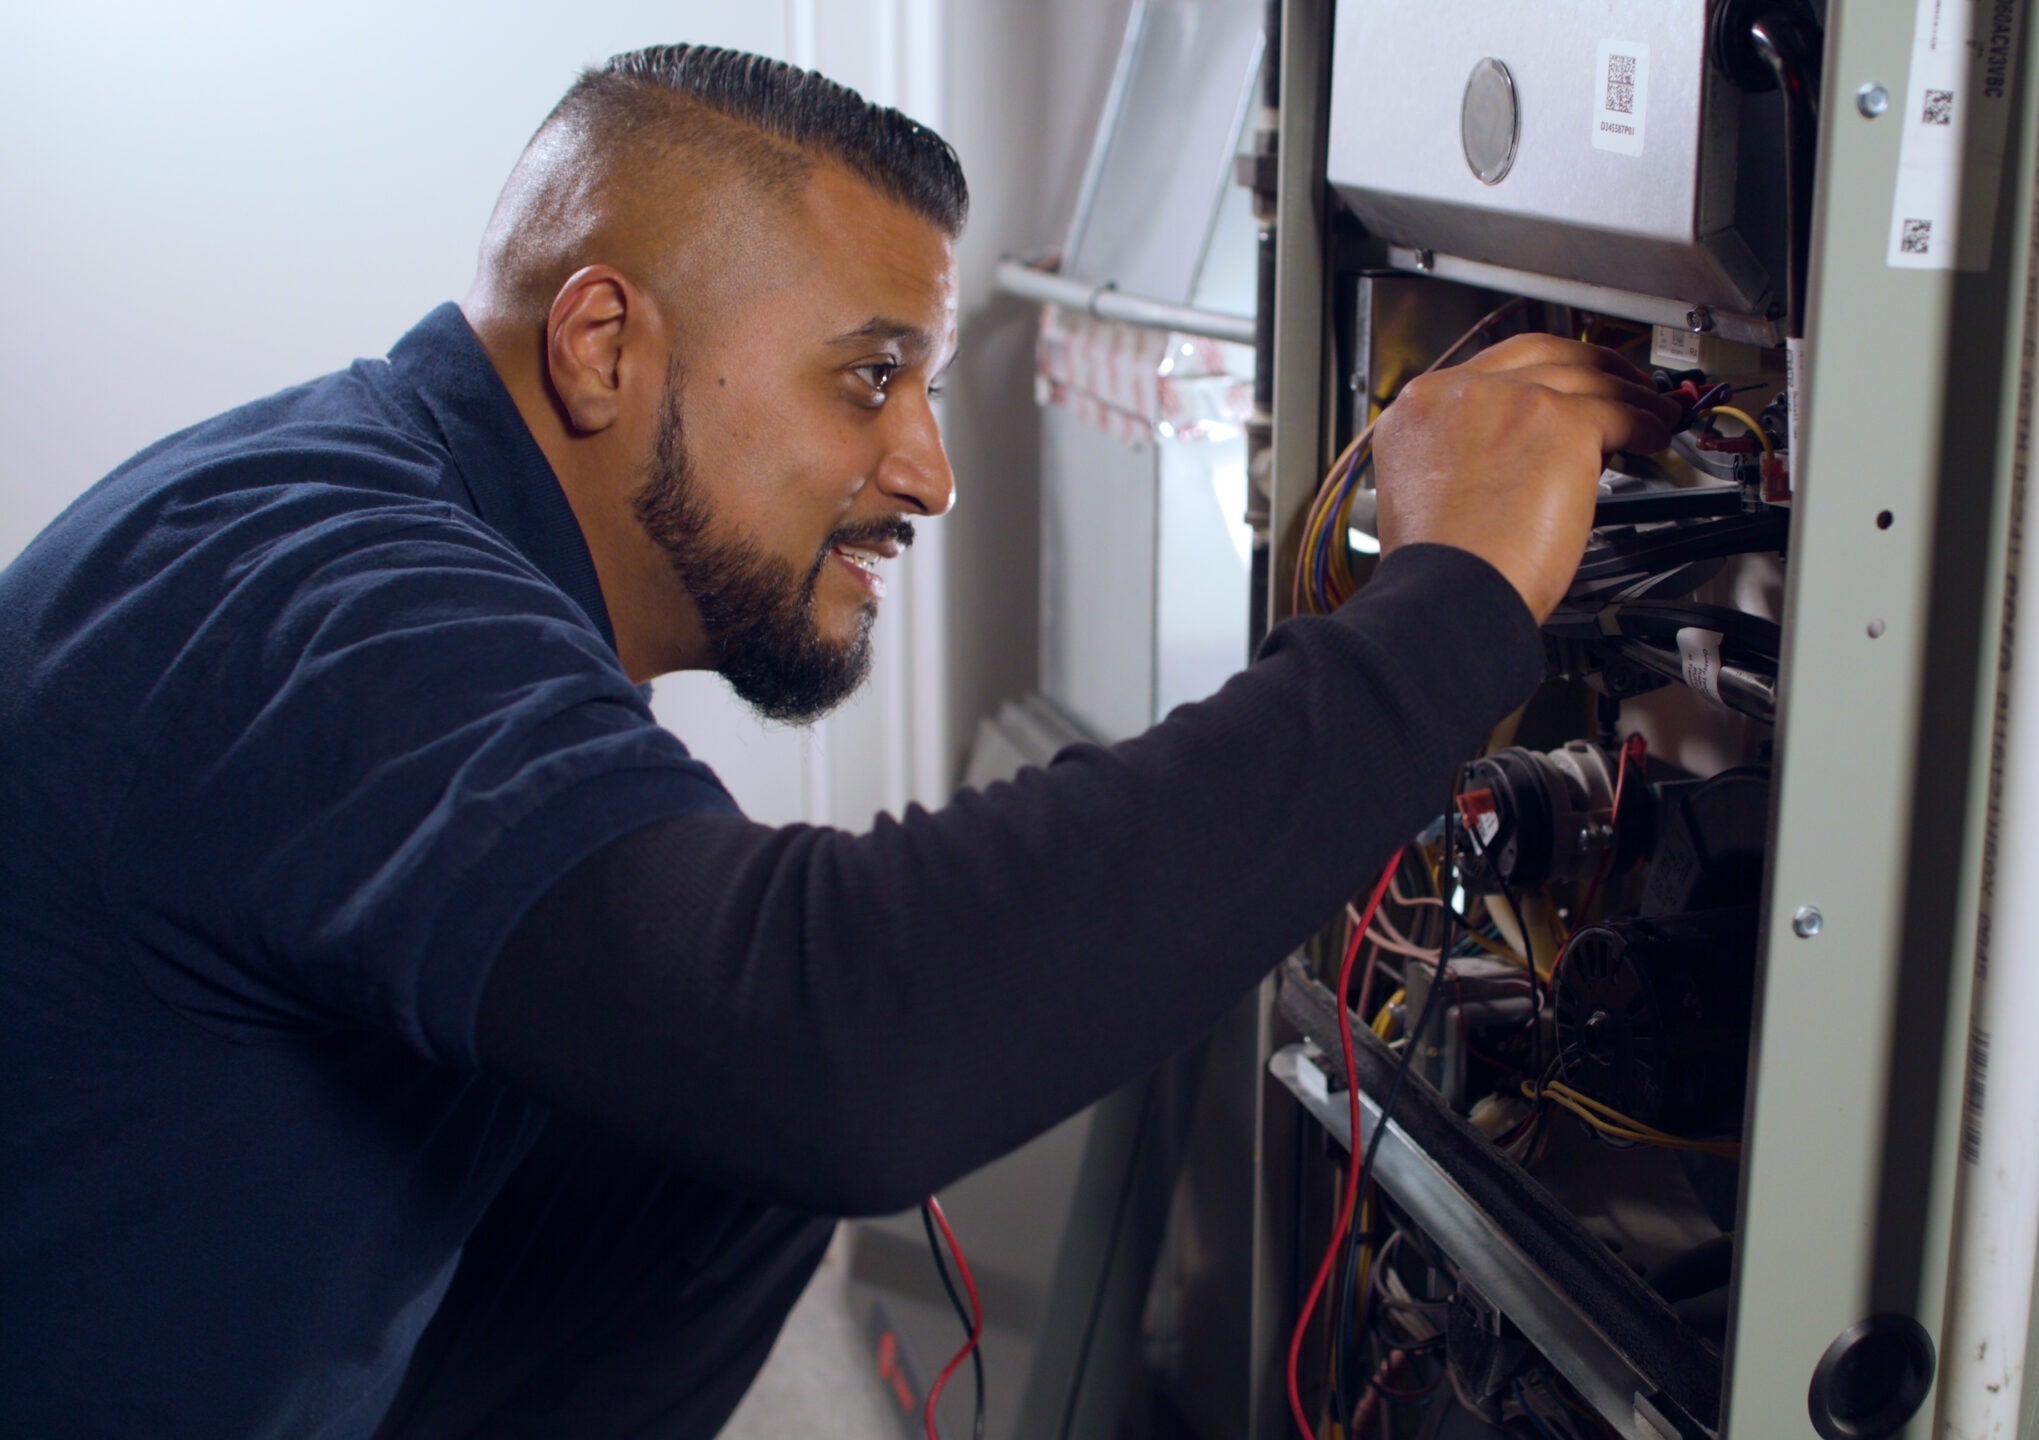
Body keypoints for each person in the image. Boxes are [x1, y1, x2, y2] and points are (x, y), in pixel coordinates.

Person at [0, 44, 1674, 1440]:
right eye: (870, 377)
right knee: (787, 1048)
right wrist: (1449, 609)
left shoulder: (376, 507)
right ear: (603, 345)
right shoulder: (321, 594)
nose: (929, 472)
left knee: (711, 1136)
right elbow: (841, 1031)